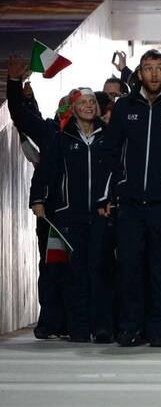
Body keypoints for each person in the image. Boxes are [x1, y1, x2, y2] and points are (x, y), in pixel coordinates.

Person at [97, 49, 161, 347]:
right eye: (148, 68)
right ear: (139, 73)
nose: (154, 73)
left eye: (159, 68)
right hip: (129, 204)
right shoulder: (124, 108)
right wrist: (107, 196)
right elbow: (111, 154)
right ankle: (130, 328)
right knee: (129, 268)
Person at [6, 59, 109, 343]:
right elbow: (45, 170)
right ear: (71, 109)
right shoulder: (59, 138)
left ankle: (100, 327)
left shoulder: (109, 137)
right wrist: (37, 200)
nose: (88, 106)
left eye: (92, 102)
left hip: (101, 215)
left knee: (99, 271)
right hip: (67, 217)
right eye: (81, 102)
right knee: (69, 273)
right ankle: (73, 327)